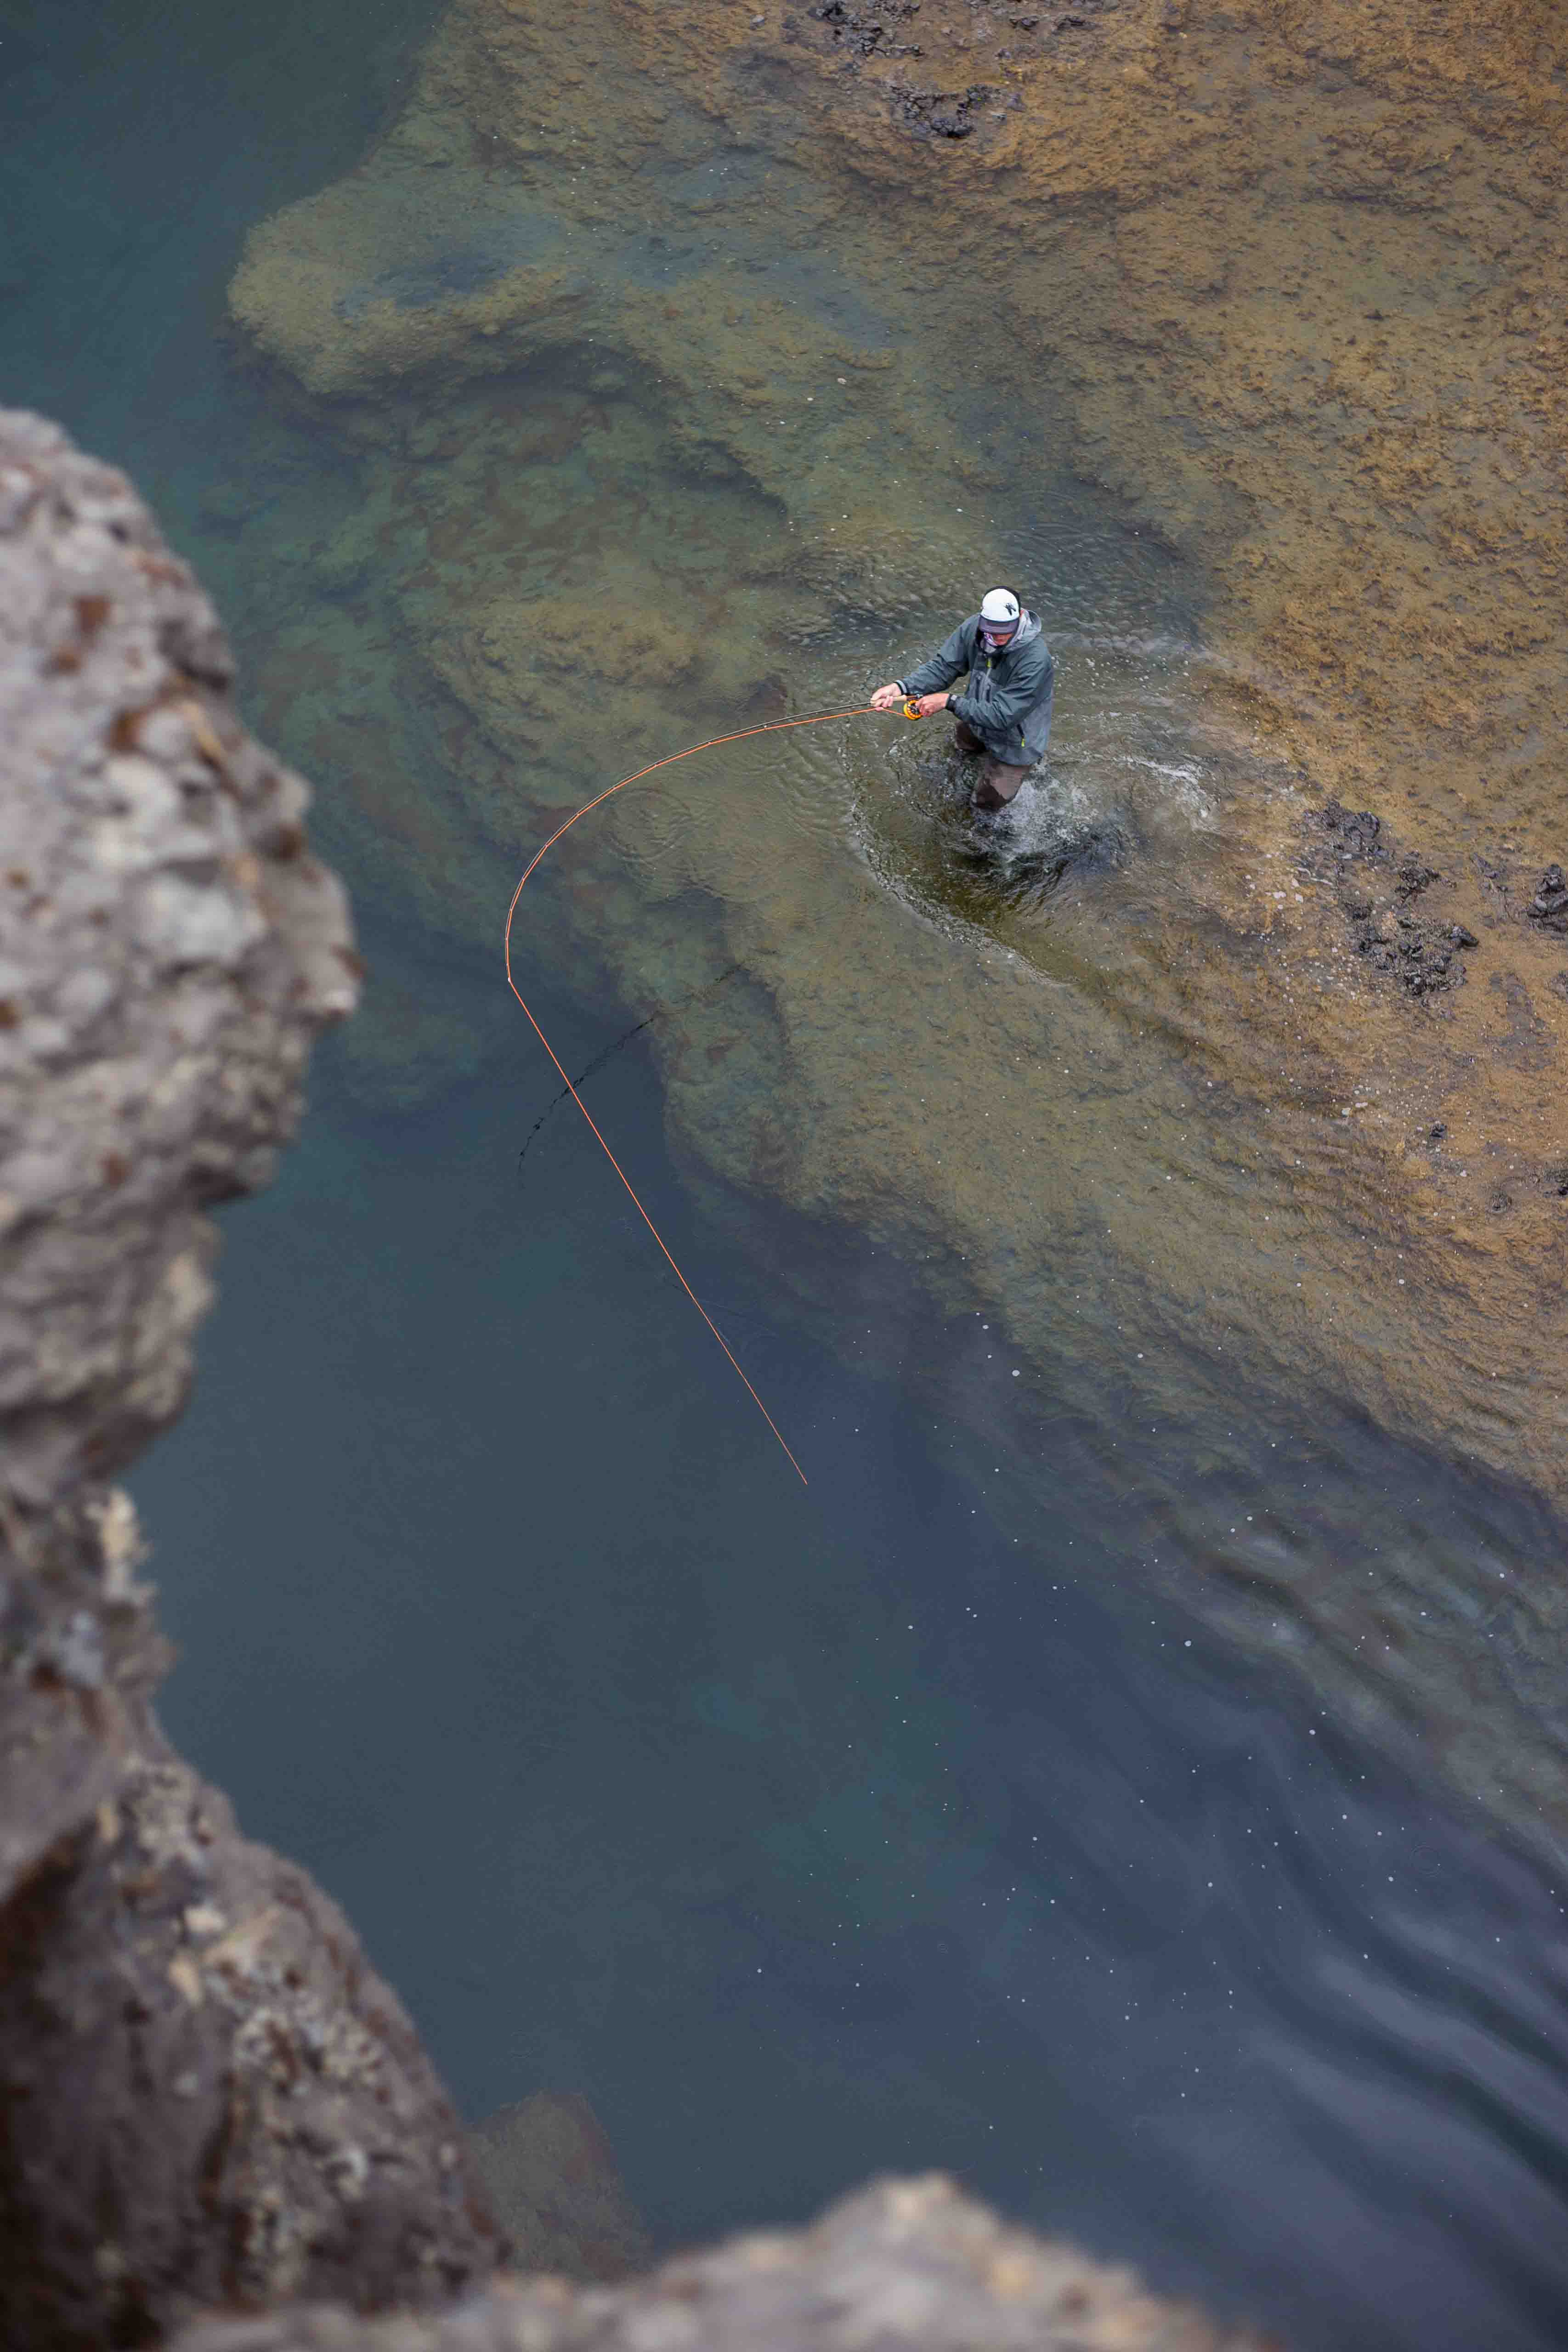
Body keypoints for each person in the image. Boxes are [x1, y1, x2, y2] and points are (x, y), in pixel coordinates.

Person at [871, 587, 1054, 808]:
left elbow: (1003, 716)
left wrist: (948, 701)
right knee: (959, 754)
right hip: (975, 720)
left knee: (985, 805)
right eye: (992, 630)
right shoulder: (973, 629)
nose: (999, 637)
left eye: (1005, 630)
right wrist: (901, 687)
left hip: (1016, 743)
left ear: (1021, 616)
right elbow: (944, 667)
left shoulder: (1035, 659)